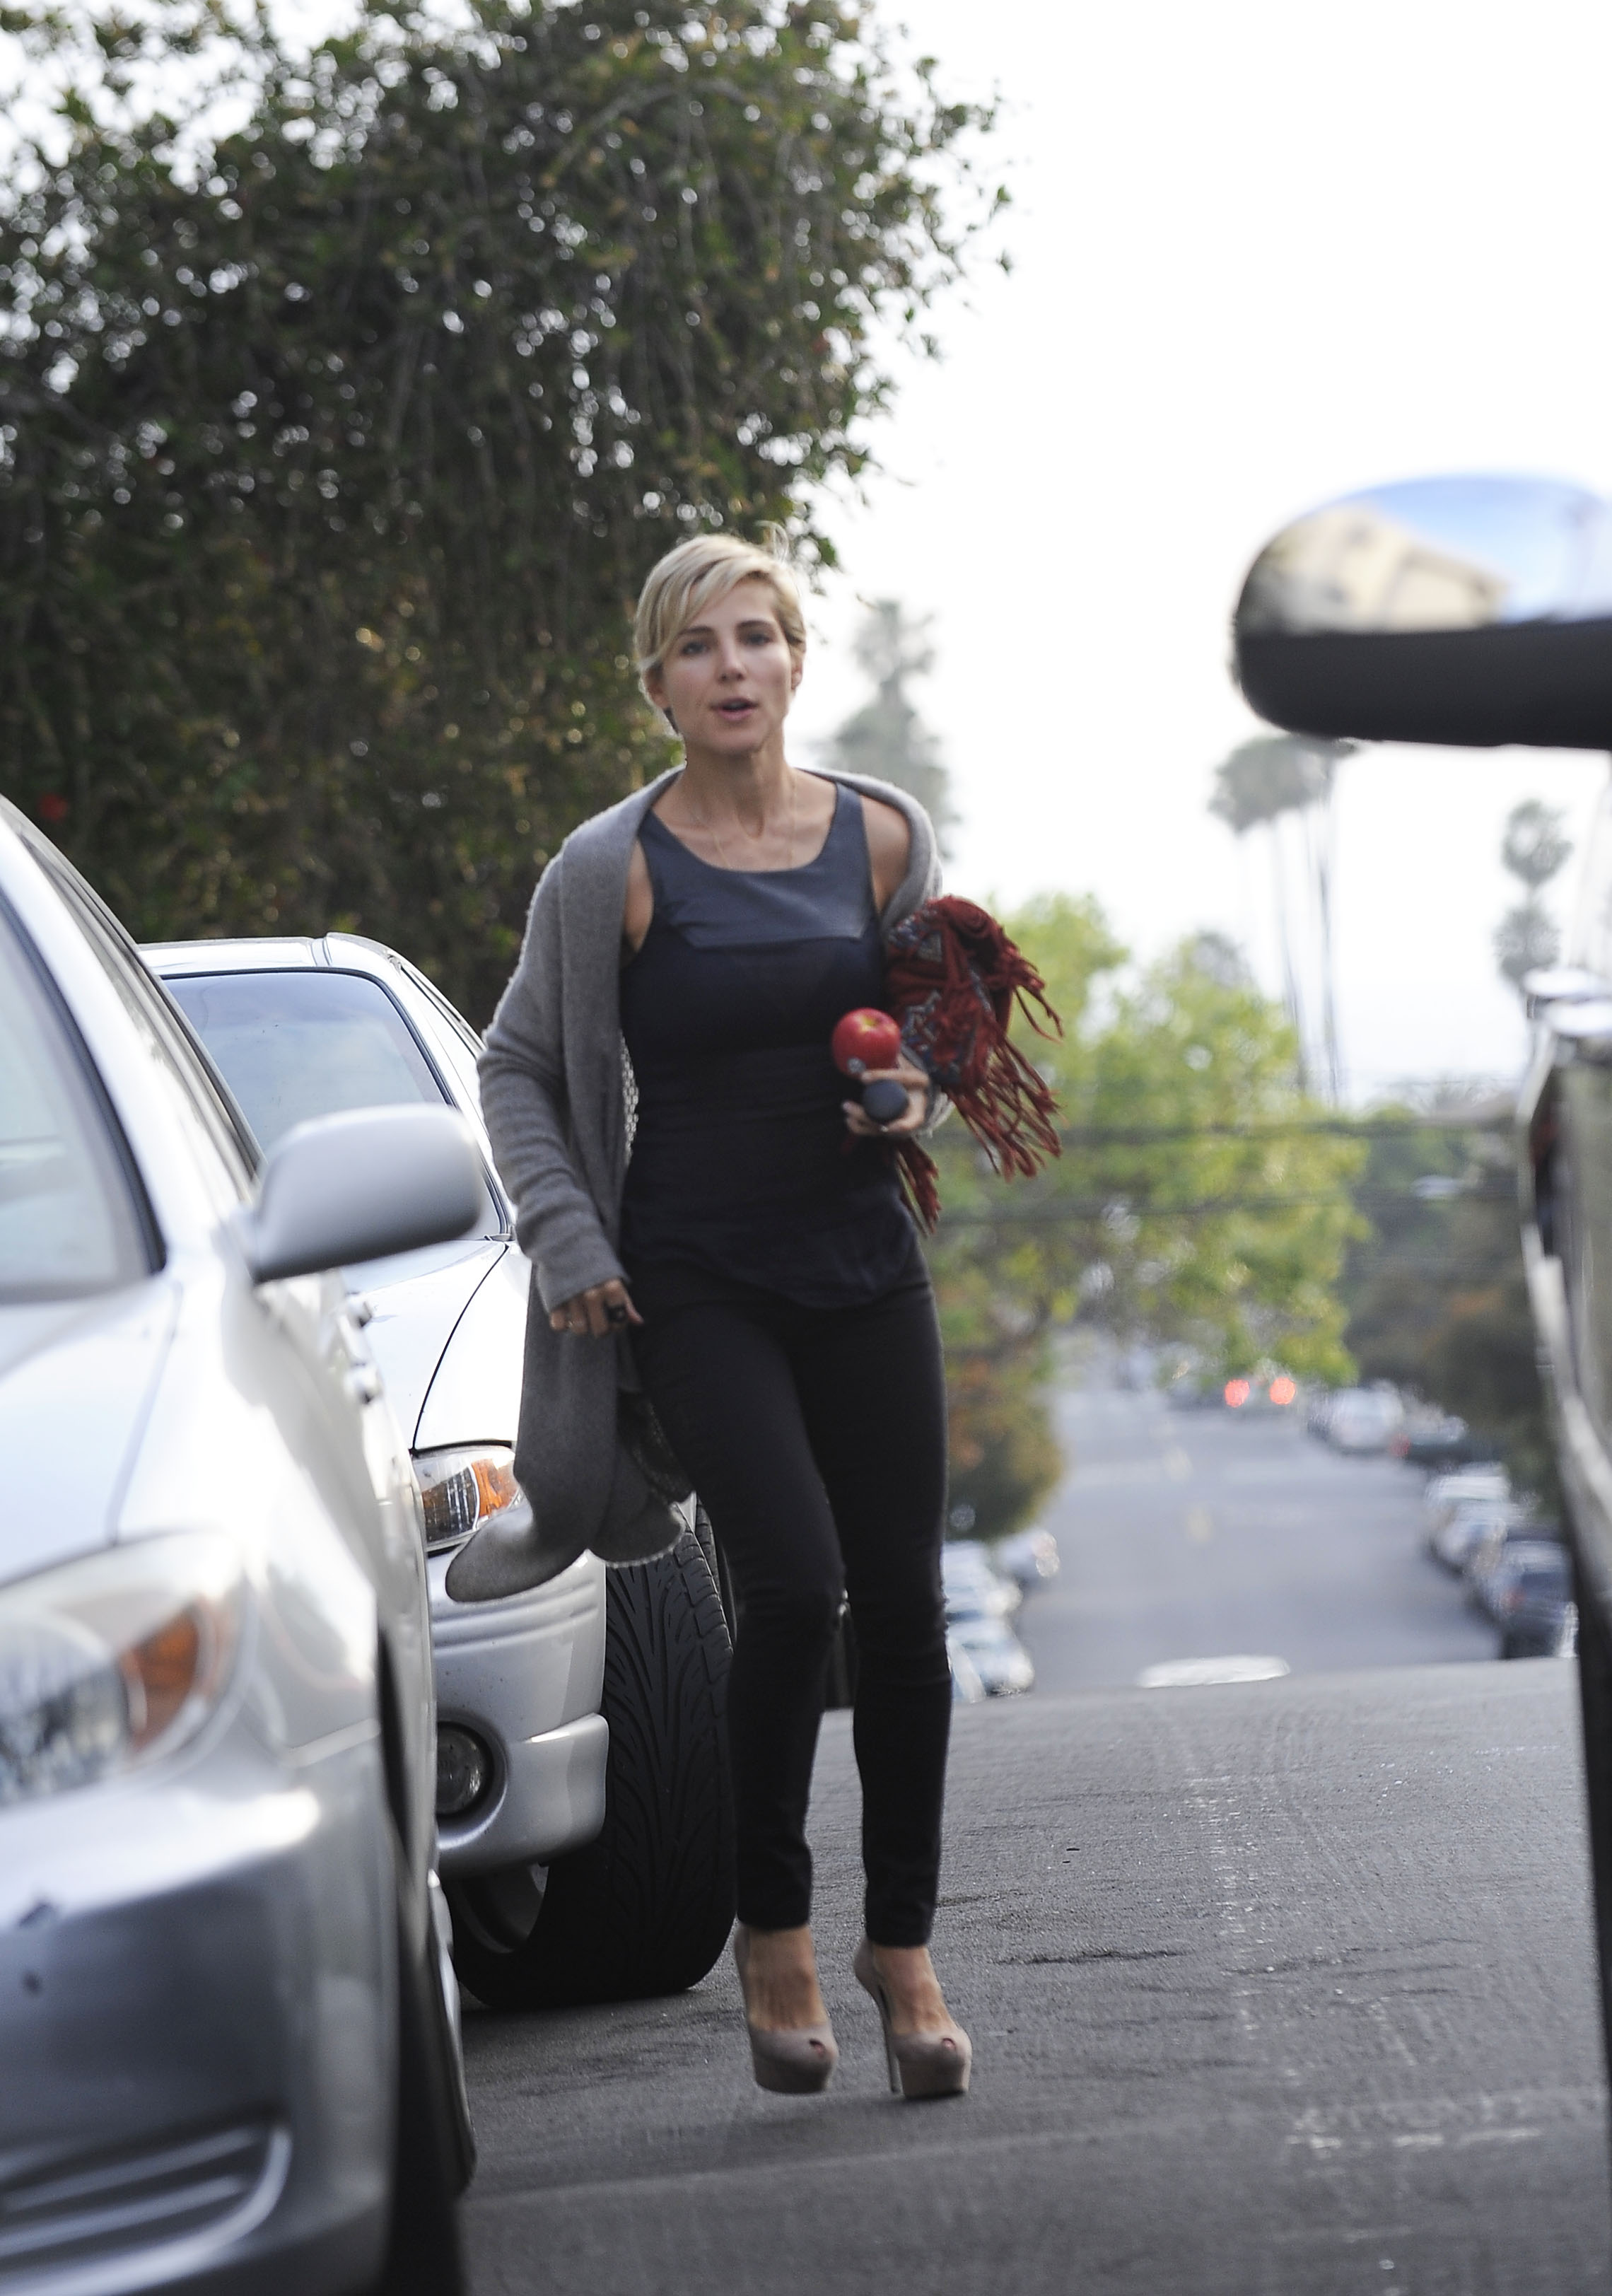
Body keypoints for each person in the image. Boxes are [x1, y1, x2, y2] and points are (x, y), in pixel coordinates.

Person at [477, 532, 970, 2099]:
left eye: (757, 636)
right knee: (797, 1588)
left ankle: (905, 1953)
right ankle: (776, 1929)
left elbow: (937, 1034)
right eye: (698, 646)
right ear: (659, 684)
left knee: (907, 1611)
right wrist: (566, 1236)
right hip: (693, 1278)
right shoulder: (609, 867)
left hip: (862, 1264)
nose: (732, 666)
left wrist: (913, 1096)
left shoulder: (882, 837)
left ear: (797, 660)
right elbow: (516, 1067)